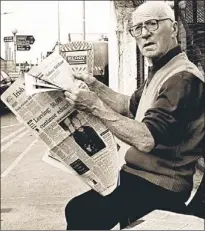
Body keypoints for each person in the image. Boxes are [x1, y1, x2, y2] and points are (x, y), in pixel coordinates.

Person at [63, 1, 204, 230]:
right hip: (141, 176)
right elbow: (128, 105)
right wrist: (94, 85)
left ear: (175, 29)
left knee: (81, 212)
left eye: (152, 24)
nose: (145, 34)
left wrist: (94, 106)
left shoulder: (181, 79)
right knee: (80, 209)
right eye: (137, 28)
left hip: (160, 184)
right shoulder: (164, 69)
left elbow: (146, 139)